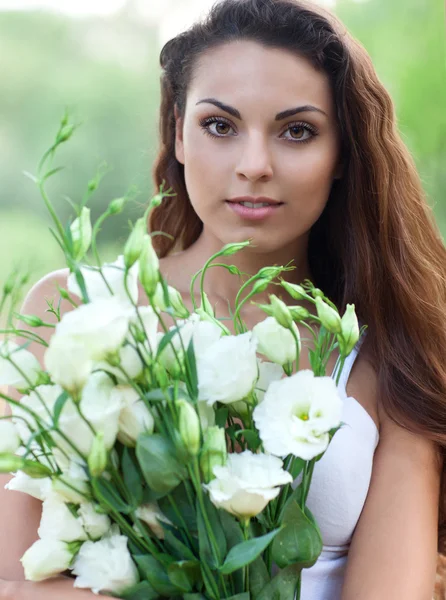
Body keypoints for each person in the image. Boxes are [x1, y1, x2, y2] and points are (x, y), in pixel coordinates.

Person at [1, 0, 445, 598]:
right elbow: (9, 575)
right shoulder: (71, 316)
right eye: (220, 126)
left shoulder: (387, 353)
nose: (254, 166)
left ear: (343, 154)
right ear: (178, 131)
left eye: (297, 131)